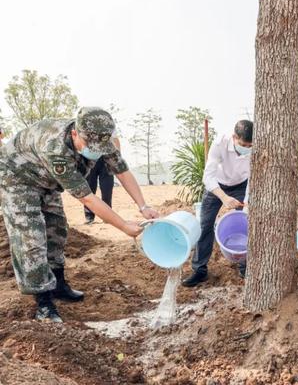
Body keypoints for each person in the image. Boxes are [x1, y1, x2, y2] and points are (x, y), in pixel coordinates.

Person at [0, 107, 159, 323]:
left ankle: (58, 285)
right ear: (75, 133)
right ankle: (43, 302)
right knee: (31, 238)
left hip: (47, 181)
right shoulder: (55, 148)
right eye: (90, 146)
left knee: (57, 229)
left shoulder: (101, 139)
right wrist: (123, 226)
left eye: (99, 147)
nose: (95, 151)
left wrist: (143, 205)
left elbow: (121, 171)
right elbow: (87, 198)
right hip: (17, 179)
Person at [182, 120, 252, 287]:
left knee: (246, 223)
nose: (247, 148)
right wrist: (223, 197)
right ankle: (199, 270)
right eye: (244, 144)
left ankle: (245, 266)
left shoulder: (255, 147)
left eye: (250, 145)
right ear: (235, 137)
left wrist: (247, 204)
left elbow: (254, 178)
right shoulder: (220, 143)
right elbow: (208, 176)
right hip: (217, 186)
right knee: (205, 225)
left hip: (242, 184)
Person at [83, 137, 121, 224]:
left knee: (107, 189)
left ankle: (107, 217)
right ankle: (89, 217)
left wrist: (118, 157)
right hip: (90, 158)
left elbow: (115, 139)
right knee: (89, 189)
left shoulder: (108, 125)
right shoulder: (86, 125)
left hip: (107, 159)